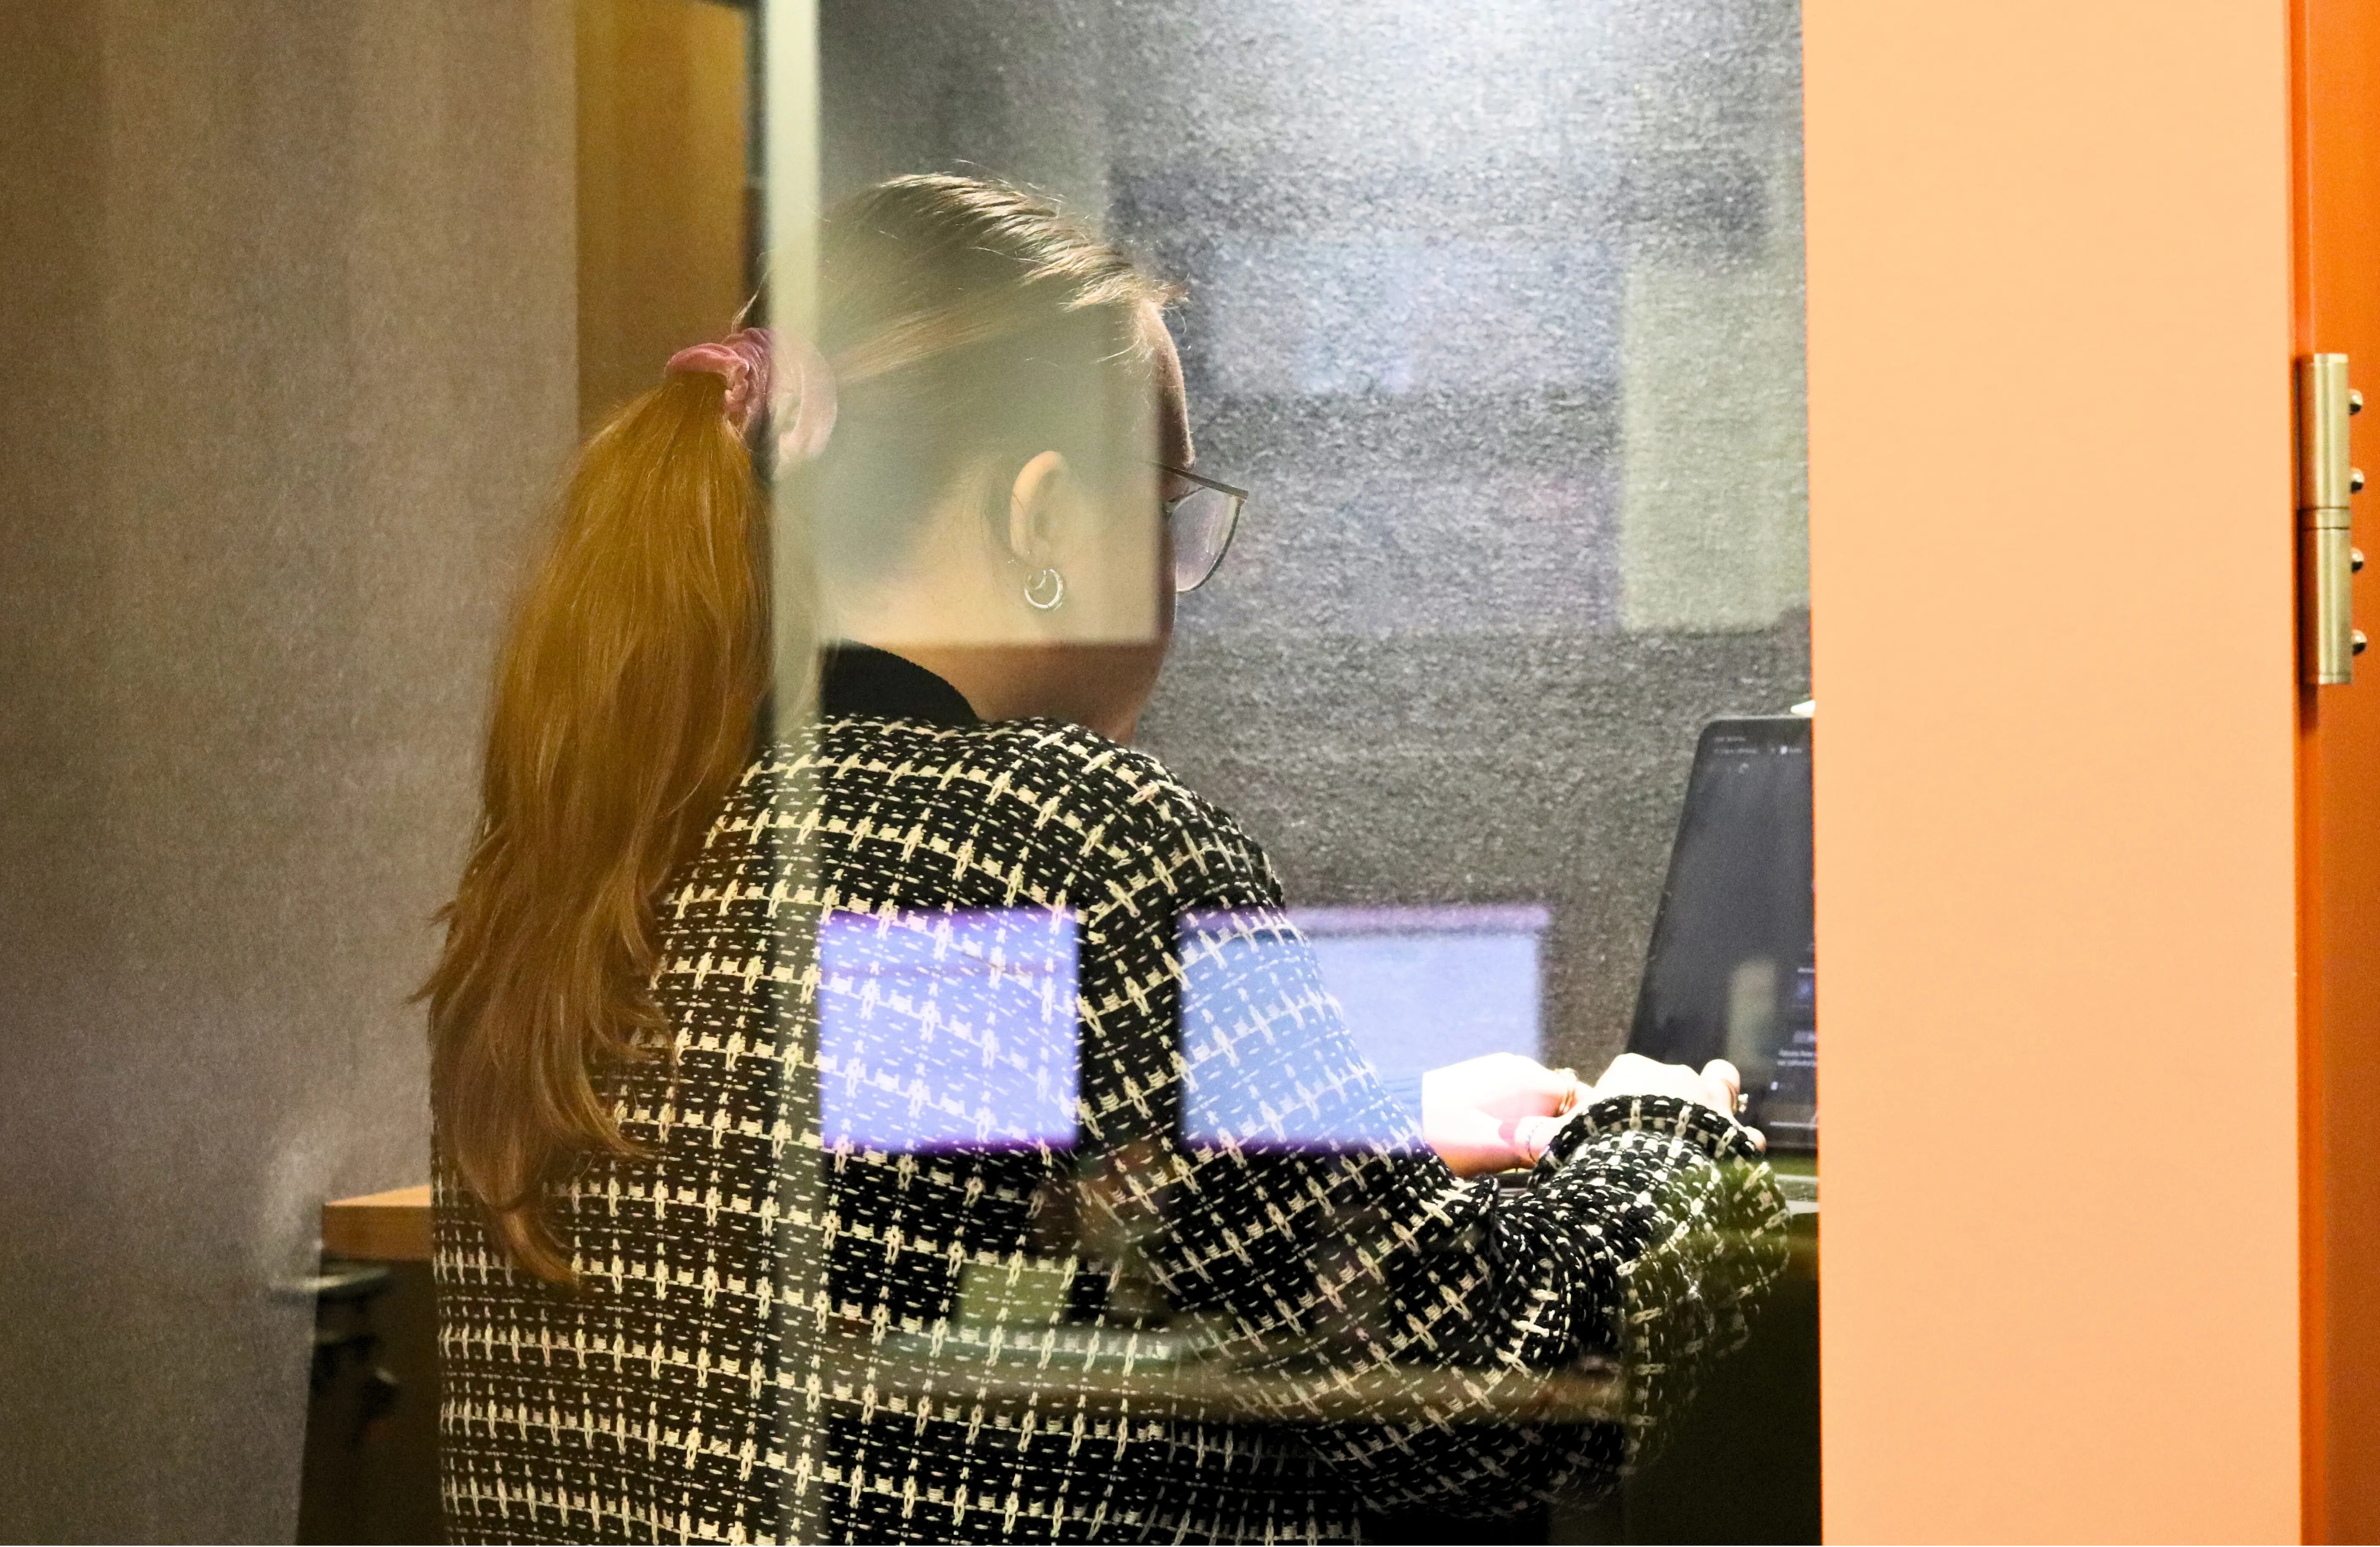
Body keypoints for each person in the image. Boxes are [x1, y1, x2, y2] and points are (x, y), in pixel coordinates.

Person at [423, 174, 1784, 1545]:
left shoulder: (601, 838)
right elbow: (1479, 1401)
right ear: (1043, 520)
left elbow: (924, 1194)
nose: (1181, 573)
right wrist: (1659, 1138)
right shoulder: (1071, 835)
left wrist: (1351, 1130)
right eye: (1168, 509)